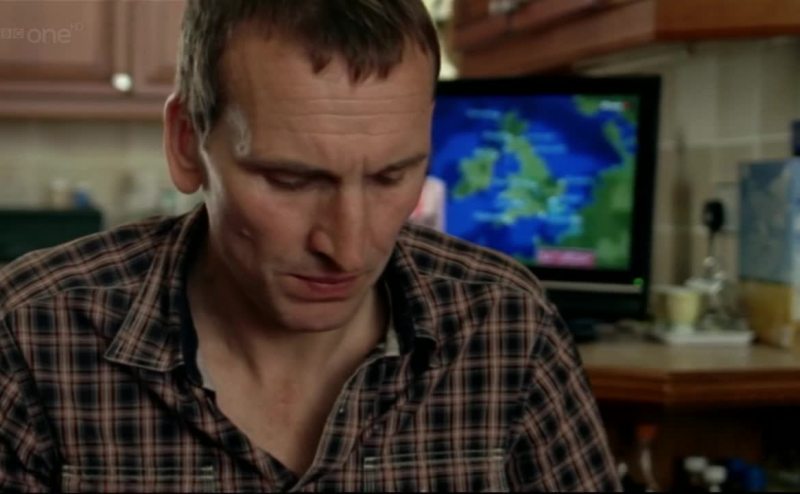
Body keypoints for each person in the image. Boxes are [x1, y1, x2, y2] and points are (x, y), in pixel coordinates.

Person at [0, 1, 620, 491]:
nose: (348, 249)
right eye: (291, 180)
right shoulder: (32, 334)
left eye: (391, 176)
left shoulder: (508, 324)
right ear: (188, 143)